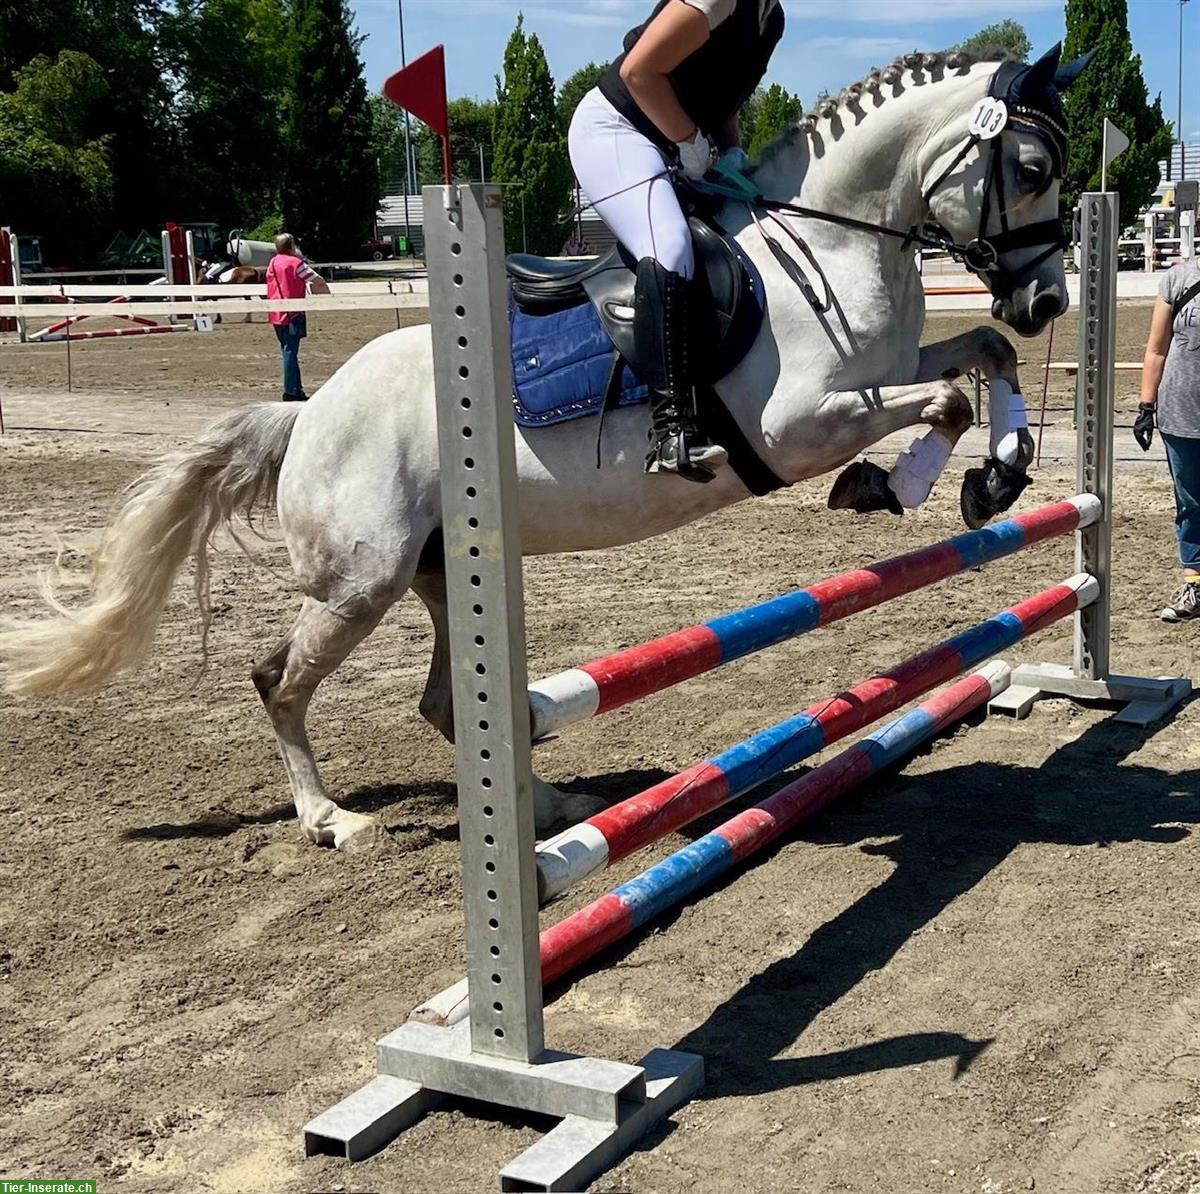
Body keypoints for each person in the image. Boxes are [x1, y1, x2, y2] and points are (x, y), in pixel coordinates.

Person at [569, 0, 785, 482]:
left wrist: (731, 151)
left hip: (673, 143)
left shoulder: (772, 19)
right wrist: (690, 143)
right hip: (617, 131)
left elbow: (723, 98)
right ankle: (669, 430)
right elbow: (640, 71)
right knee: (668, 246)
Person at [1136, 258, 1200, 621]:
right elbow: (1156, 348)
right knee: (1191, 503)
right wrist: (1146, 405)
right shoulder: (1178, 278)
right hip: (1181, 413)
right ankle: (1195, 582)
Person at [266, 233, 330, 402]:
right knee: (290, 352)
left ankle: (296, 387)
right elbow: (317, 280)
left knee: (287, 350)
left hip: (276, 312)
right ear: (291, 246)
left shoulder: (272, 263)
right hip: (293, 312)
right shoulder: (296, 263)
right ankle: (290, 391)